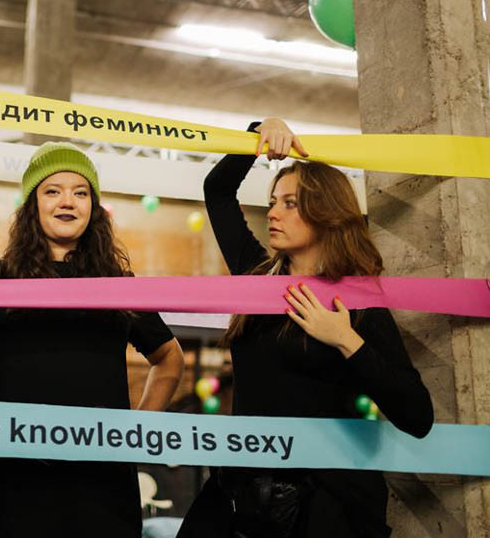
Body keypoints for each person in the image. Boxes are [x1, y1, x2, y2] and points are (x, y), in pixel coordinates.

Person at [178, 120, 434, 538]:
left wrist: (346, 340)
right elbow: (218, 191)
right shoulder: (255, 275)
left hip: (325, 503)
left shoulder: (357, 304)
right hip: (244, 492)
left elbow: (417, 416)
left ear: (325, 213)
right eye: (273, 201)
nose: (272, 213)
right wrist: (259, 133)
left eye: (290, 204)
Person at [0, 142, 185, 537]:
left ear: (93, 208)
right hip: (10, 485)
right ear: (32, 205)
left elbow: (169, 357)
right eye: (52, 191)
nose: (68, 201)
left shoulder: (117, 286)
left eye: (80, 192)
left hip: (101, 486)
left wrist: (137, 431)